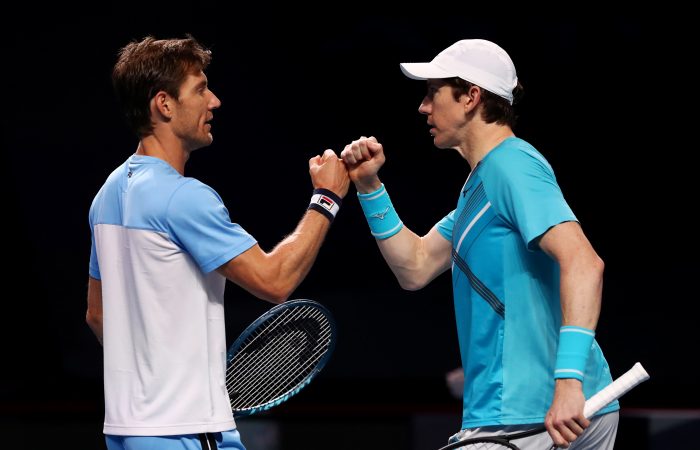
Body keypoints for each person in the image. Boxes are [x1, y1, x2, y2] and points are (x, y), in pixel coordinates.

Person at [340, 39, 619, 449]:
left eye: (433, 93)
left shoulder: (512, 164)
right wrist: (369, 186)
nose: (423, 107)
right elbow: (414, 267)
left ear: (471, 97)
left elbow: (584, 262)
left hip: (535, 412)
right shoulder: (481, 188)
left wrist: (568, 382)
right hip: (537, 410)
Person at [85, 35, 349, 450]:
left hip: (126, 432)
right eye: (200, 89)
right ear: (164, 104)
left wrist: (153, 376)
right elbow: (275, 281)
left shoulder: (106, 195)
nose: (215, 101)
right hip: (186, 432)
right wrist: (327, 199)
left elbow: (97, 316)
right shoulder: (184, 197)